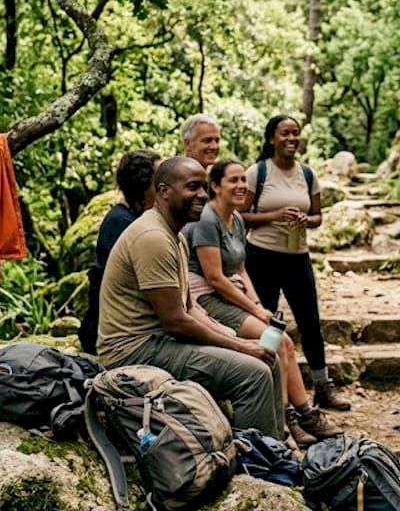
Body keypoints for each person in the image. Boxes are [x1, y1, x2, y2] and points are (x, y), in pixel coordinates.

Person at [98, 156, 283, 439]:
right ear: (164, 191)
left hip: (159, 340)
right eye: (192, 187)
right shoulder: (153, 237)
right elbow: (175, 321)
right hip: (133, 349)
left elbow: (189, 306)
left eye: (203, 188)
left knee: (269, 357)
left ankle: (275, 450)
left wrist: (235, 338)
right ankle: (258, 469)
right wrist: (240, 347)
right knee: (253, 373)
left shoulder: (177, 236)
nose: (201, 195)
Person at [189, 157, 341, 447]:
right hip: (206, 300)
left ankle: (304, 414)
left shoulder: (234, 220)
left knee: (280, 339)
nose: (240, 186)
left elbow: (241, 269)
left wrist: (260, 306)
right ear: (215, 186)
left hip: (229, 295)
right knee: (278, 340)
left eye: (242, 180)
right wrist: (255, 310)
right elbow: (216, 278)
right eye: (232, 180)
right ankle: (285, 420)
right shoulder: (207, 220)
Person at [241, 115, 351, 412]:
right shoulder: (257, 172)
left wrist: (307, 220)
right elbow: (240, 216)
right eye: (284, 134)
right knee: (266, 322)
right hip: (261, 256)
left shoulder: (307, 174)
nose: (291, 138)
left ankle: (323, 386)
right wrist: (273, 216)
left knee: (310, 322)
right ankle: (270, 388)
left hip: (297, 256)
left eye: (296, 133)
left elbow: (318, 217)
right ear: (271, 139)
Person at [80, 149, 160, 355]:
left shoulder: (136, 217)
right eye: (158, 181)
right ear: (141, 186)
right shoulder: (121, 222)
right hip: (114, 333)